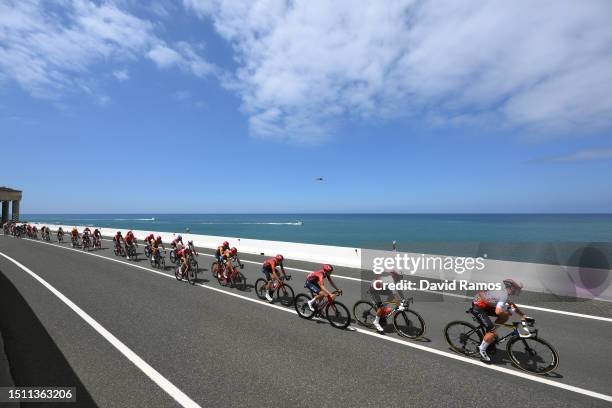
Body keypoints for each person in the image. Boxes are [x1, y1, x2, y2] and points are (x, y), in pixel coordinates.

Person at [472, 279, 528, 362]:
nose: (519, 291)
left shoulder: (507, 294)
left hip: (486, 306)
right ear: (511, 288)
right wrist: (508, 313)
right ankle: (482, 349)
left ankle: (490, 333)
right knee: (493, 330)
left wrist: (523, 315)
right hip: (478, 307)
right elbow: (498, 311)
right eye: (518, 289)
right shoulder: (504, 295)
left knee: (504, 317)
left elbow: (512, 306)